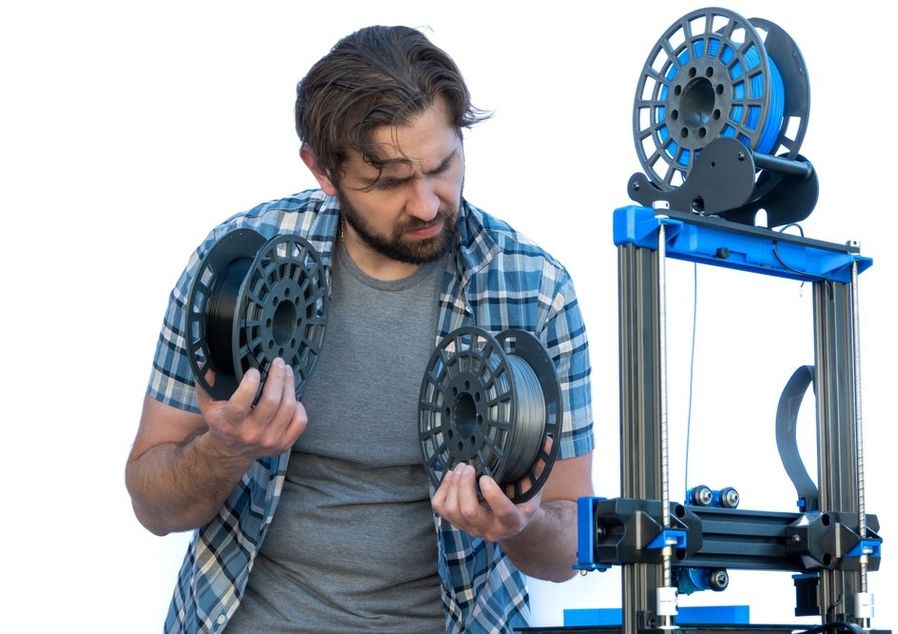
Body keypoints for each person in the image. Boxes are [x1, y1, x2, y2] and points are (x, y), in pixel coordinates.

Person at [126, 25, 594, 633]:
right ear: (323, 170)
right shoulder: (239, 262)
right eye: (391, 182)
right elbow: (152, 503)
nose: (427, 204)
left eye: (443, 166)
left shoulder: (536, 289)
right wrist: (228, 446)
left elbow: (569, 548)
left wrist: (521, 525)